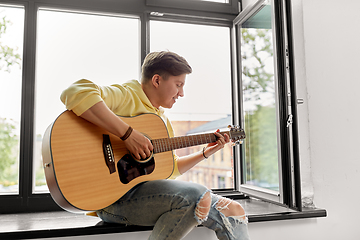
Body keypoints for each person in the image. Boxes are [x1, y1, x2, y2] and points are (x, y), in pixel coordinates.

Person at [60, 51, 250, 240]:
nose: (182, 93)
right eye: (178, 85)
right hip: (112, 201)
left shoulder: (161, 121)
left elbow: (171, 168)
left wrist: (205, 153)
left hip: (147, 197)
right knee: (197, 196)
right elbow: (75, 92)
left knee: (234, 210)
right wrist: (127, 134)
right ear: (157, 80)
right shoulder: (127, 95)